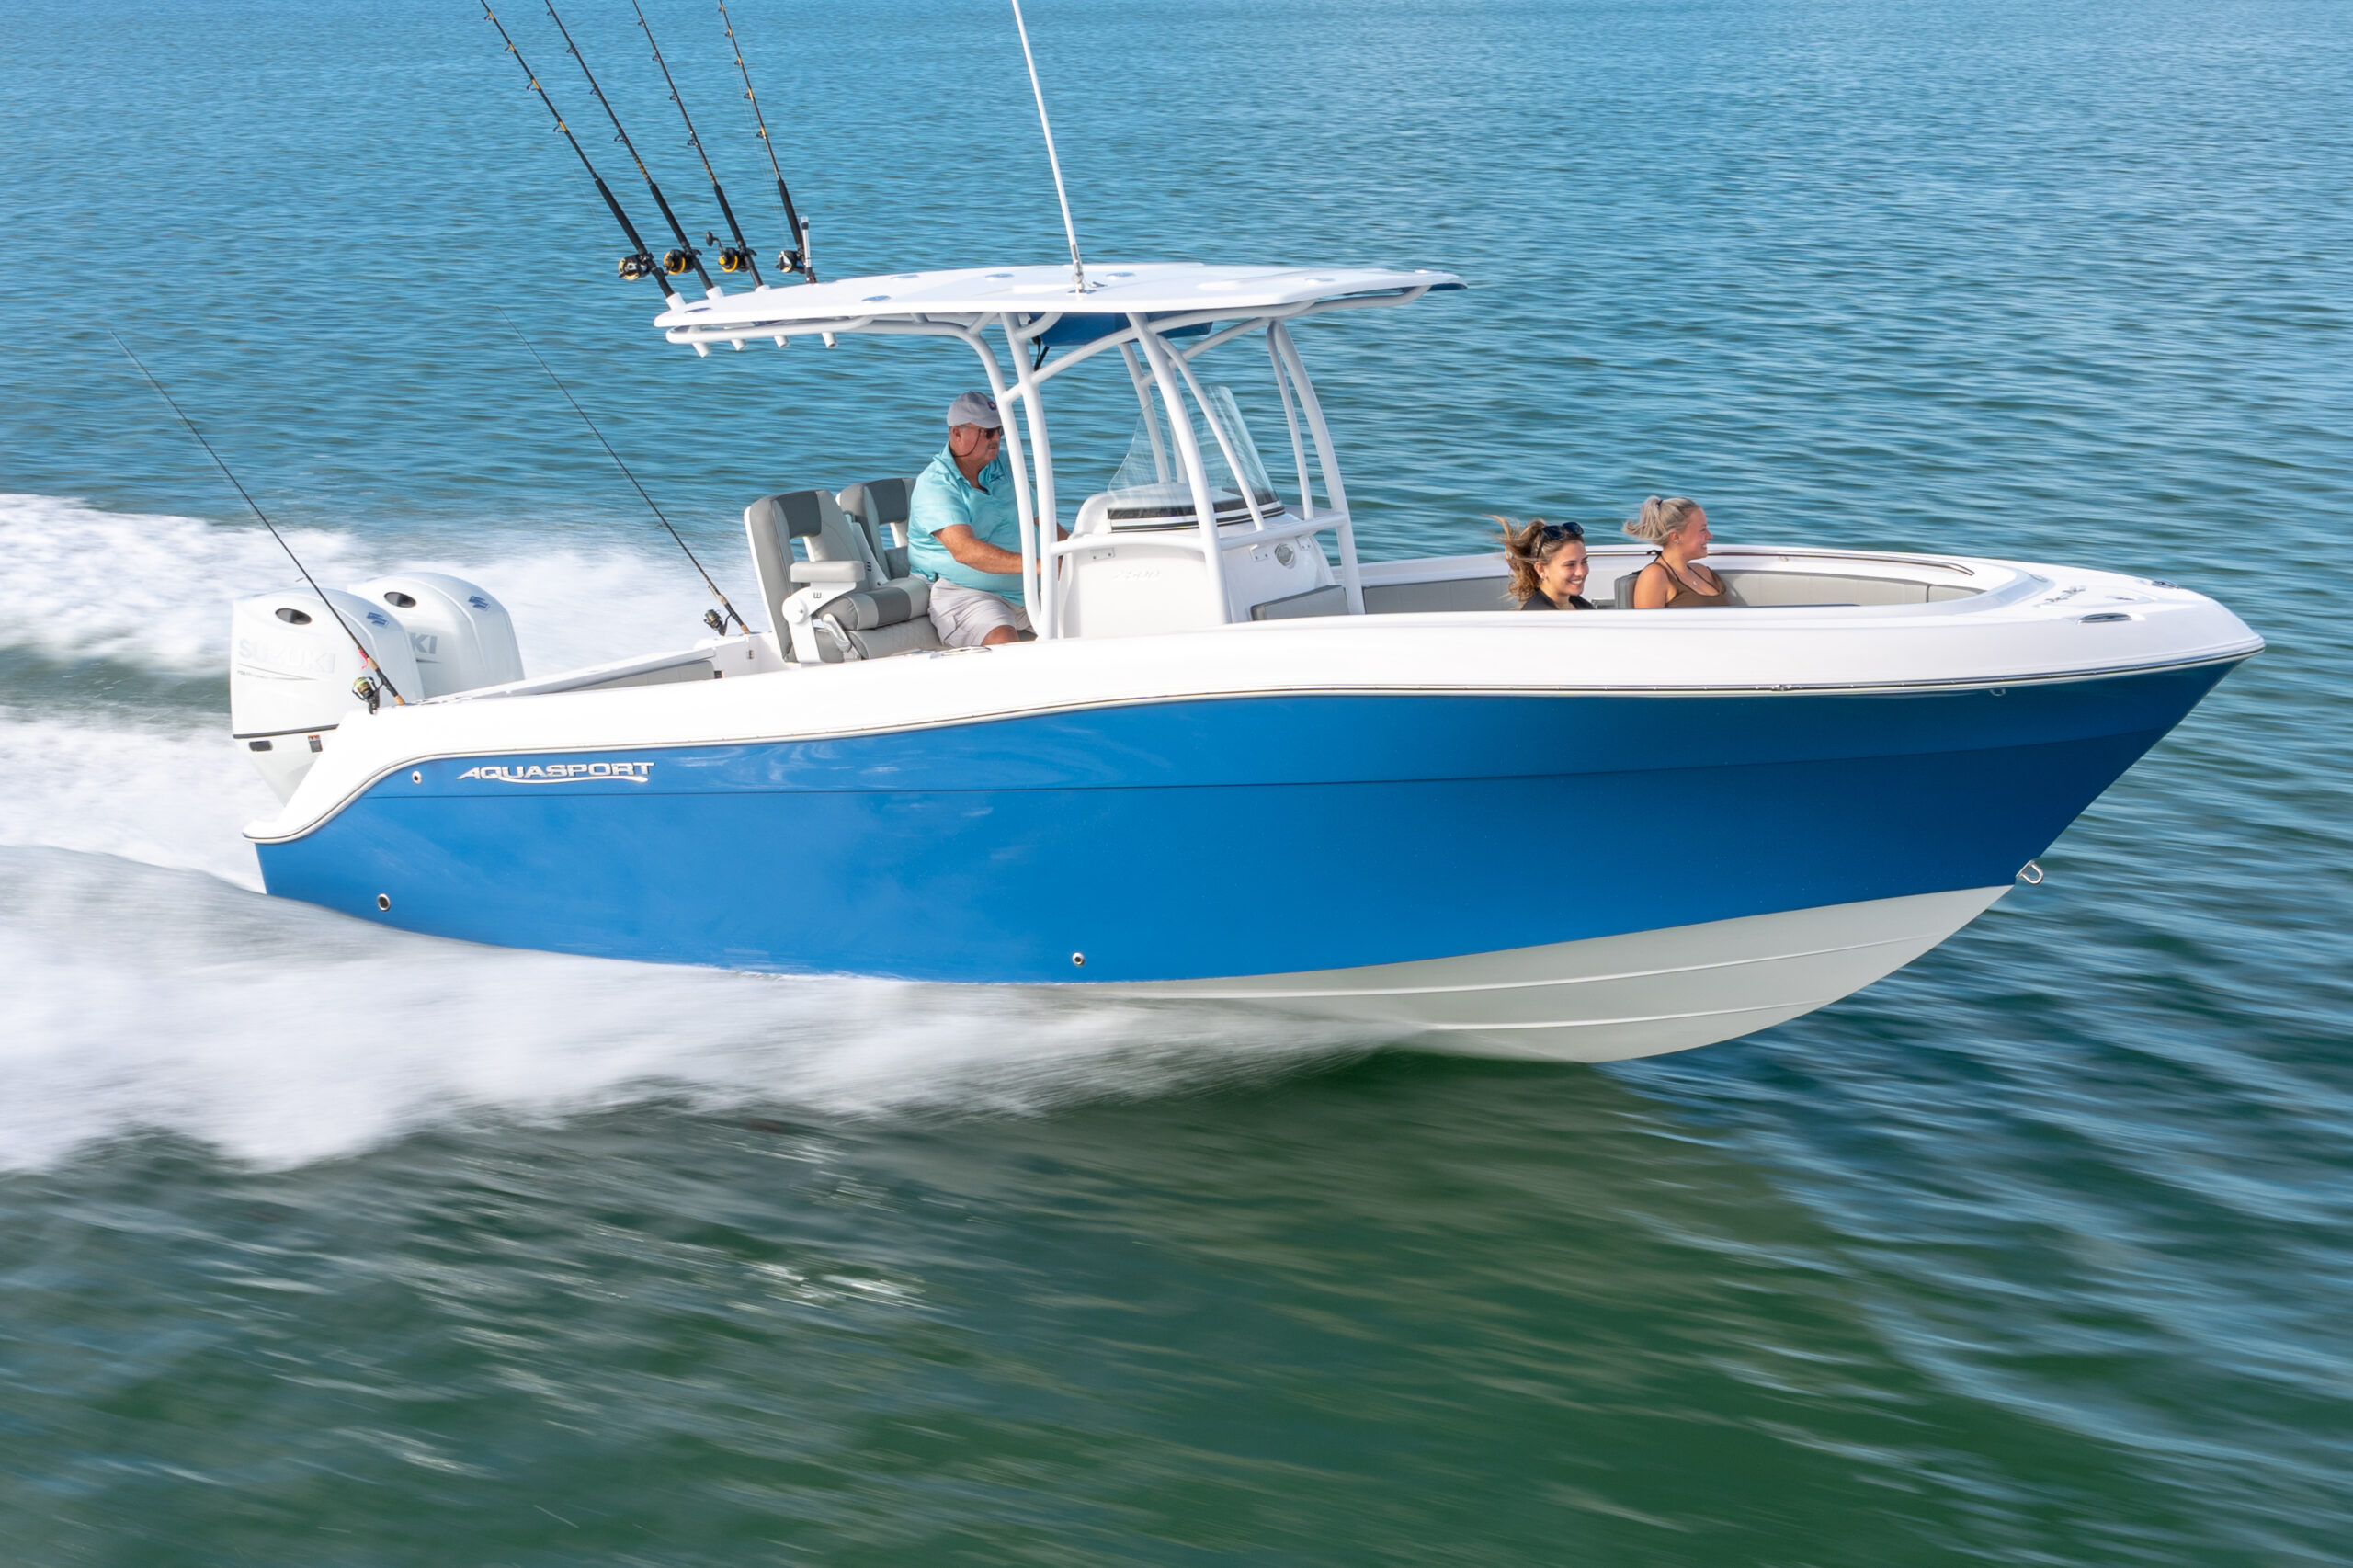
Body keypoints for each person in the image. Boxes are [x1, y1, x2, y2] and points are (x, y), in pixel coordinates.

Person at [906, 391, 1033, 647]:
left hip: (1030, 588)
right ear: (957, 434)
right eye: (987, 432)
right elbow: (965, 552)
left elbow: (1039, 519)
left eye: (999, 430)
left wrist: (1069, 556)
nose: (996, 438)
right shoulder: (935, 484)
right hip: (964, 592)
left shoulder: (1003, 464)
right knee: (1003, 643)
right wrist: (1039, 565)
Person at [1624, 495, 1732, 608]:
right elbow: (1647, 620)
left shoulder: (1703, 572)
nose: (1710, 536)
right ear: (1675, 537)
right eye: (1702, 530)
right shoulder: (1654, 576)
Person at [1495, 517, 1594, 609]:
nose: (1581, 572)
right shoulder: (1540, 615)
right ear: (1541, 569)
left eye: (1584, 561)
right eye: (1570, 565)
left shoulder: (1575, 602)